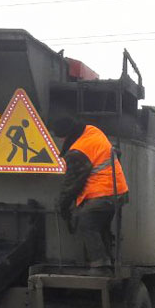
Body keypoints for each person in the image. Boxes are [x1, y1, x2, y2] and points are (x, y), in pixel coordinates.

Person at [54, 115, 129, 268]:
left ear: (67, 135)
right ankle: (109, 261)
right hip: (117, 190)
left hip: (103, 192)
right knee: (100, 226)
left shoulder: (78, 151)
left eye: (61, 138)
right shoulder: (92, 131)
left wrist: (63, 206)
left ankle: (99, 264)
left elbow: (72, 183)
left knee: (86, 223)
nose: (61, 141)